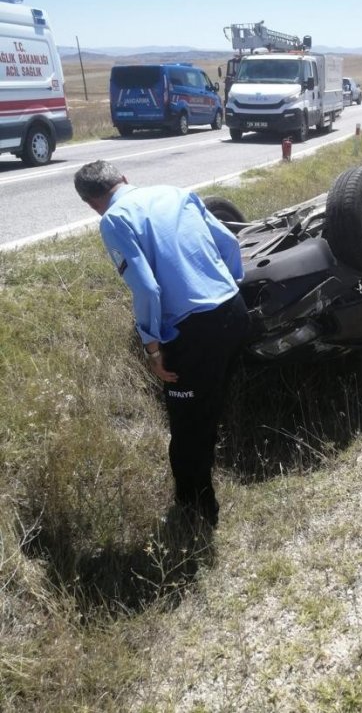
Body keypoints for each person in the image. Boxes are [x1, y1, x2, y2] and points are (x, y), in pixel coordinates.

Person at [74, 160, 250, 527]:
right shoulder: (176, 193)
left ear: (91, 203)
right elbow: (230, 243)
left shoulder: (114, 220)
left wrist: (152, 348)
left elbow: (147, 289)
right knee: (209, 407)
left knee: (187, 426)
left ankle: (196, 511)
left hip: (194, 332)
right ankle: (204, 491)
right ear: (124, 178)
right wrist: (230, 288)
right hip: (234, 312)